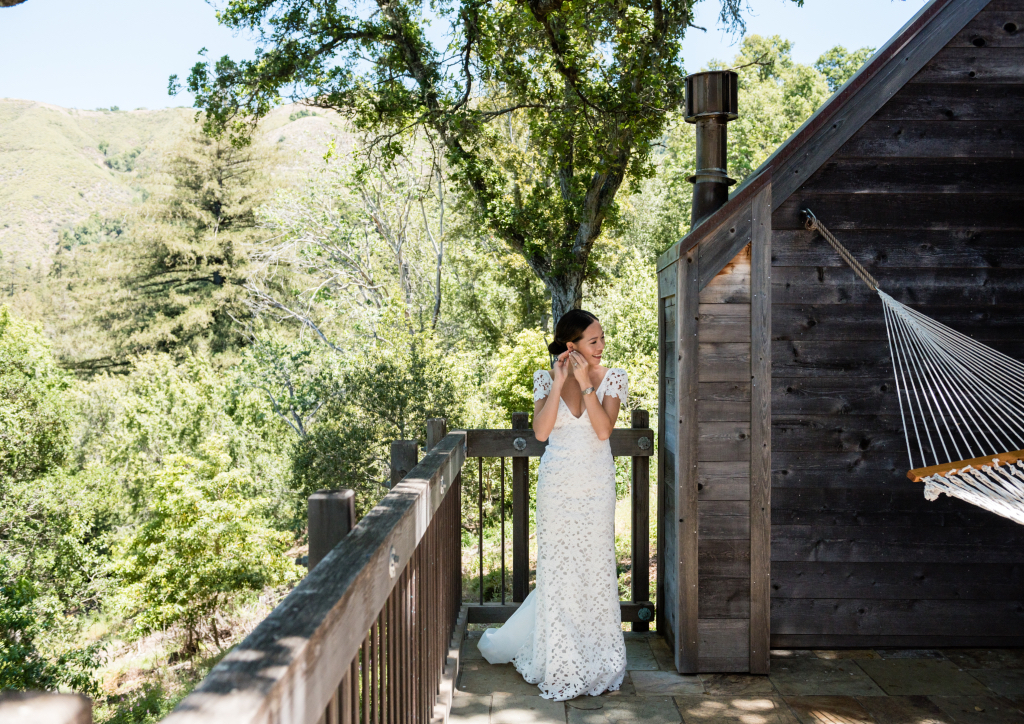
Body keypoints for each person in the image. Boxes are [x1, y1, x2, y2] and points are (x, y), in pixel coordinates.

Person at [477, 309, 629, 701]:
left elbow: (601, 430)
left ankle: (598, 660)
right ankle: (561, 662)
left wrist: (586, 383)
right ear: (570, 346)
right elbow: (542, 432)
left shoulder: (613, 377)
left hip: (596, 487)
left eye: (600, 339)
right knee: (558, 569)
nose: (601, 346)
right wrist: (562, 381)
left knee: (594, 567)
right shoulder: (546, 378)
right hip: (557, 488)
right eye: (593, 341)